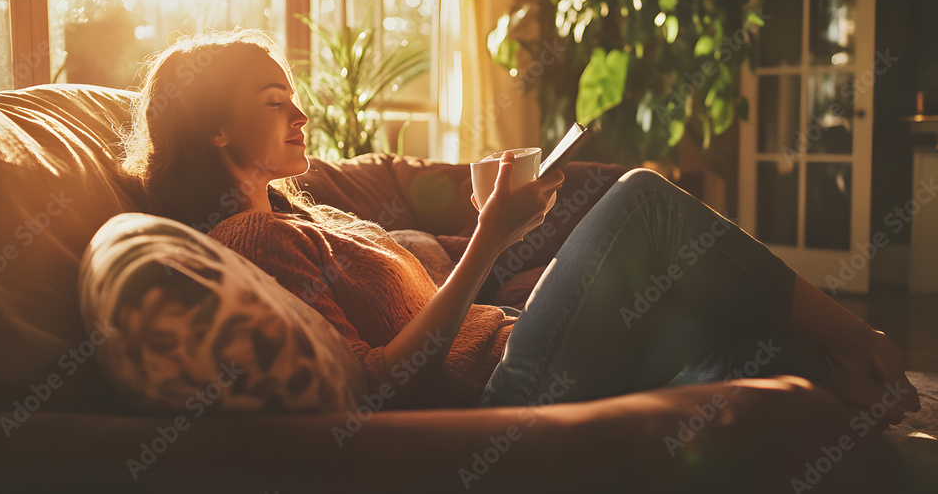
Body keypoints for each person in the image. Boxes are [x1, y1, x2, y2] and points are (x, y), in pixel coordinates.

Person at [121, 28, 920, 423]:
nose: (301, 114)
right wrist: (488, 241)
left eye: (296, 97)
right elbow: (374, 383)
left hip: (515, 338)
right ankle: (858, 335)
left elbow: (414, 304)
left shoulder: (297, 210)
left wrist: (486, 245)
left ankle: (854, 395)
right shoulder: (247, 244)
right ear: (217, 133)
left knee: (755, 355)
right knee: (643, 200)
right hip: (500, 395)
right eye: (274, 104)